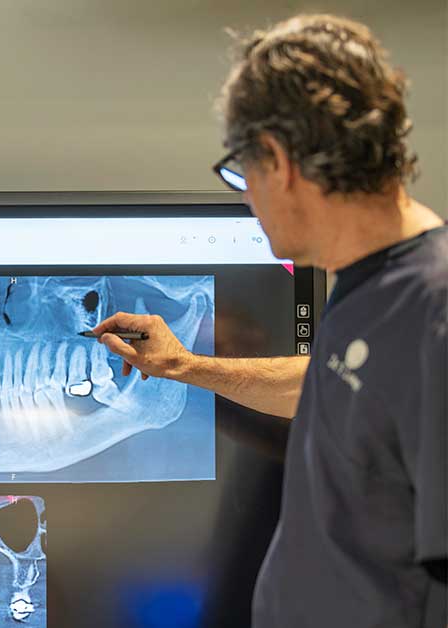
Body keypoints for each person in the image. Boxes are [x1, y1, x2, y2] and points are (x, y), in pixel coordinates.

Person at [91, 14, 446, 627]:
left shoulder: (433, 311)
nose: (247, 198)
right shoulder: (372, 286)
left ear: (277, 162)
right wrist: (184, 365)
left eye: (241, 174)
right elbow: (333, 384)